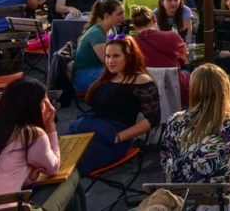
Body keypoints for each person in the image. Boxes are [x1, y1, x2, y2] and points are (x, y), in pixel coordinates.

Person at [0, 77, 85, 211]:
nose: (51, 108)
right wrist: (51, 127)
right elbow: (53, 167)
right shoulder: (31, 135)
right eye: (45, 103)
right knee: (71, 175)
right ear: (34, 107)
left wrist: (28, 176)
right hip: (11, 208)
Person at [161, 64, 230, 202]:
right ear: (225, 91)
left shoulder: (174, 121)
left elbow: (165, 162)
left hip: (182, 199)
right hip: (221, 201)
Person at [68, 36, 161, 175]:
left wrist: (120, 136)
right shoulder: (107, 76)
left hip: (111, 139)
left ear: (129, 56)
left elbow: (153, 118)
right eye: (107, 56)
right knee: (55, 159)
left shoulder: (140, 80)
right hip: (87, 128)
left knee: (70, 168)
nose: (110, 61)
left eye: (116, 56)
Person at [131, 5, 190, 103]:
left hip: (145, 90)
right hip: (175, 88)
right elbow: (184, 59)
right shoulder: (172, 36)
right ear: (154, 18)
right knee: (187, 72)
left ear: (134, 26)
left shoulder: (132, 44)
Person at [73, 0, 125, 93]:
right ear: (106, 16)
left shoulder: (111, 28)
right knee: (123, 74)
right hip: (84, 76)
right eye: (119, 14)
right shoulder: (97, 34)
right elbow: (108, 62)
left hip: (97, 69)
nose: (123, 17)